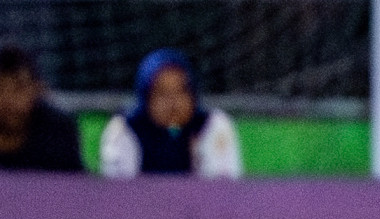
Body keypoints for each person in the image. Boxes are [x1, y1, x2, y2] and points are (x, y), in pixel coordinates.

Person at [100, 49, 242, 179]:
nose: (173, 102)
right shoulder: (124, 129)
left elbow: (222, 190)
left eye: (181, 91)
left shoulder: (212, 124)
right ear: (146, 97)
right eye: (162, 93)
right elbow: (120, 193)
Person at [0, 43, 84, 172]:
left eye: (18, 89)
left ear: (38, 88)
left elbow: (74, 184)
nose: (8, 100)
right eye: (1, 90)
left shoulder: (58, 130)